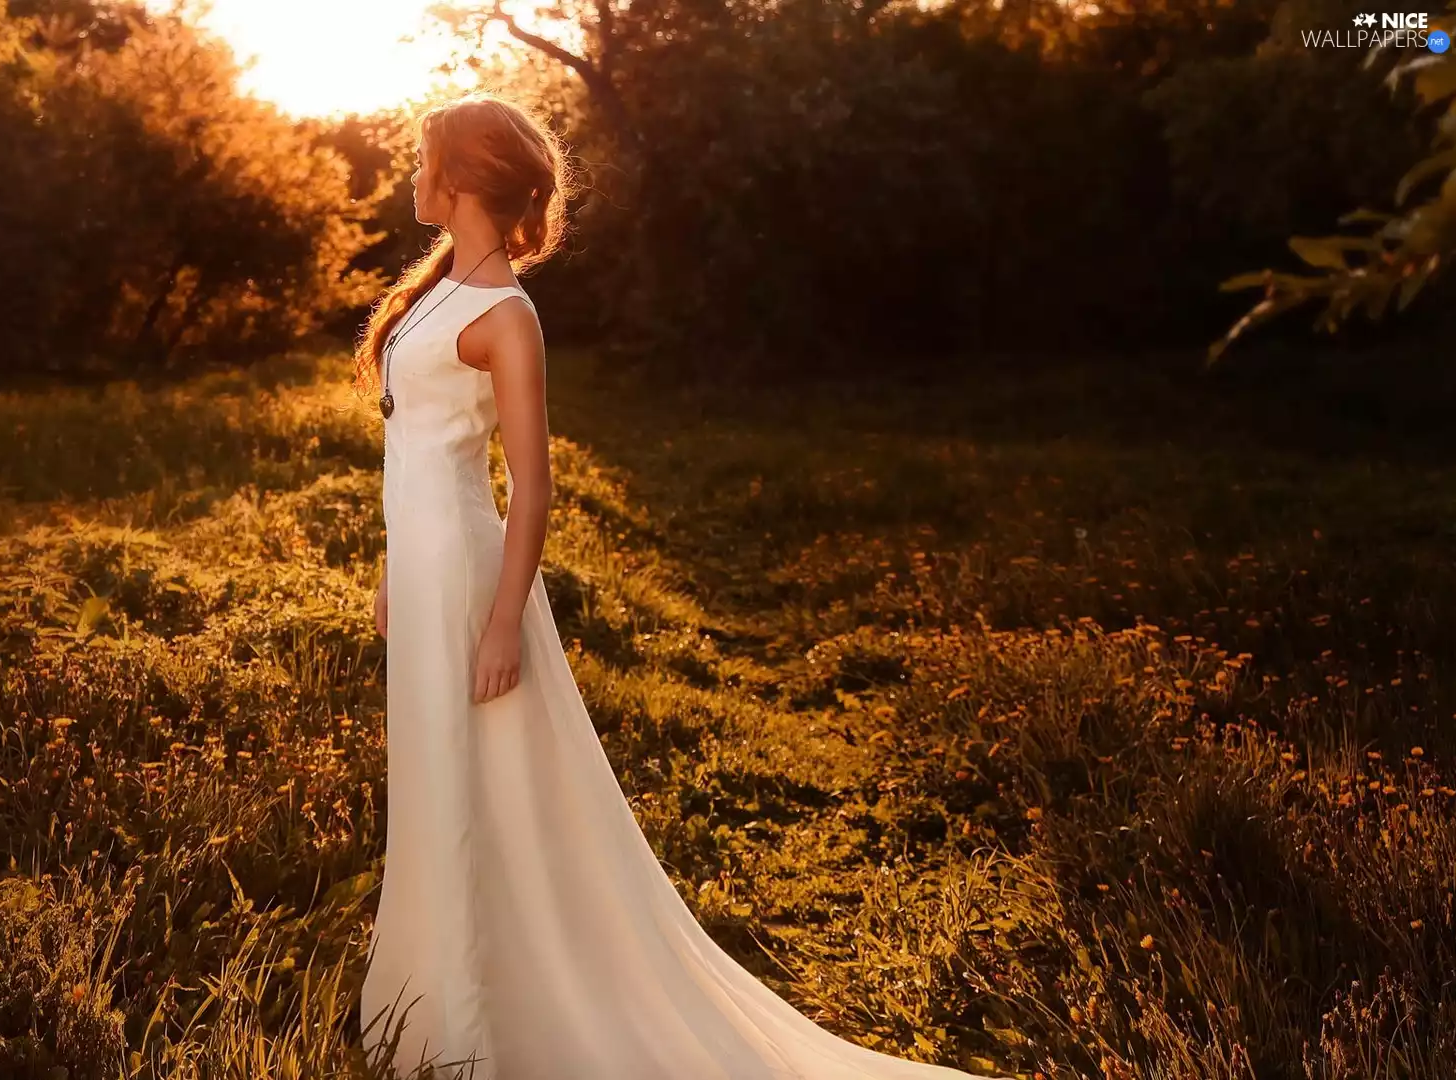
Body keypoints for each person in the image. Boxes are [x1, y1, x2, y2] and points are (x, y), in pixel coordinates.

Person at [354, 91, 990, 1080]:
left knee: (488, 789)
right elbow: (409, 453)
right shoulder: (437, 291)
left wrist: (502, 625)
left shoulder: (507, 316)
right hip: (423, 568)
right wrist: (392, 567)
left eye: (422, 159)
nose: (411, 175)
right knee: (439, 781)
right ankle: (434, 1008)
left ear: (464, 177)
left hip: (473, 586)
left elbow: (532, 486)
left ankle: (487, 1017)